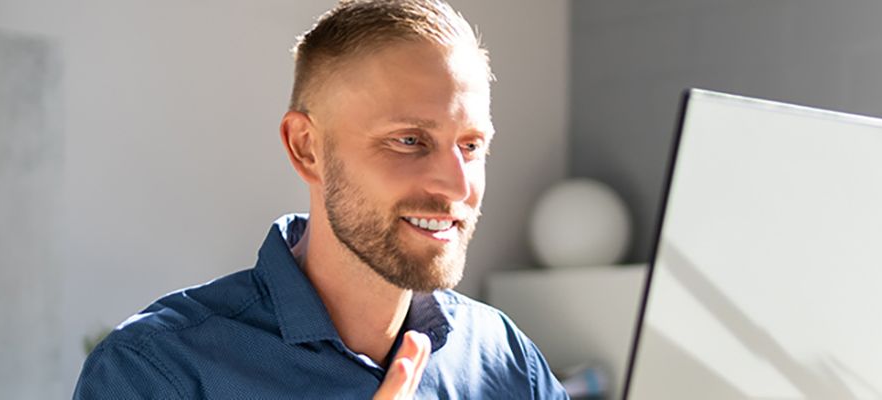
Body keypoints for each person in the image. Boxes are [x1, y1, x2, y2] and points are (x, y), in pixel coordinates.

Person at [72, 1, 567, 398]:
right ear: (307, 148)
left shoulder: (505, 360)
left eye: (471, 146)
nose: (458, 187)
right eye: (410, 141)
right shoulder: (157, 371)